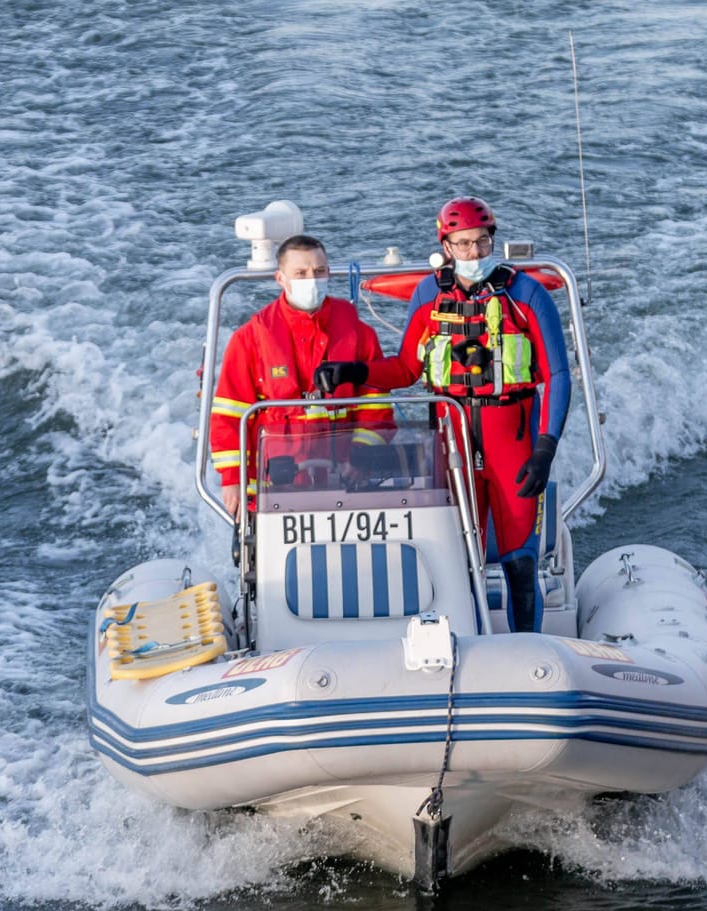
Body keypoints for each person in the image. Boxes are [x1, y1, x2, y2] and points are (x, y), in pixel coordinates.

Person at [399, 197, 571, 633]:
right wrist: (356, 371)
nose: (474, 253)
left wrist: (546, 448)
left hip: (514, 445)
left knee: (520, 565)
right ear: (446, 246)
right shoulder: (428, 294)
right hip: (452, 445)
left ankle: (527, 651)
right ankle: (469, 651)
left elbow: (559, 374)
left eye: (482, 242)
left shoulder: (525, 293)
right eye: (463, 244)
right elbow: (403, 368)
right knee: (457, 561)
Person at [210, 234, 419, 516]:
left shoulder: (358, 332)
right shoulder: (251, 339)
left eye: (319, 271)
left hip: (347, 480)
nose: (312, 278)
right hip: (273, 486)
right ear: (280, 278)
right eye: (301, 273)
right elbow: (229, 415)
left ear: (329, 272)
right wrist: (233, 480)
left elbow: (376, 405)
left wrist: (362, 456)